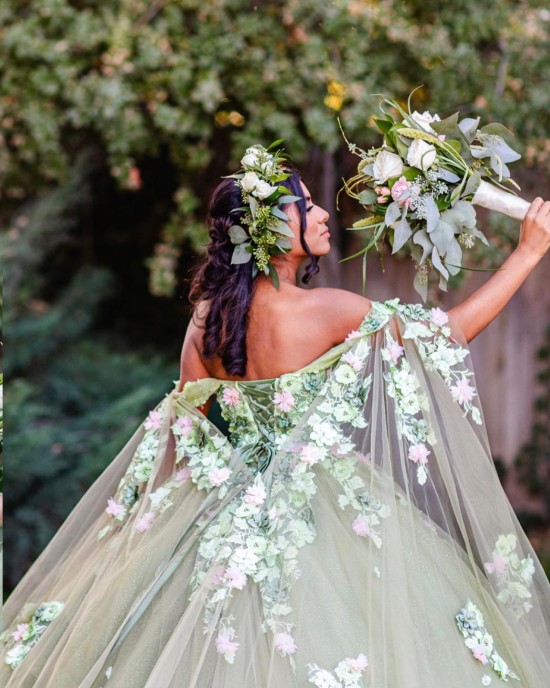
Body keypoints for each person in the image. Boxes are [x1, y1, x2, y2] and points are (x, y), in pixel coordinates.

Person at [1, 145, 550, 688]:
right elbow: (448, 335)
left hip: (222, 516)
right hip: (324, 512)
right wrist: (526, 253)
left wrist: (145, 535)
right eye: (305, 207)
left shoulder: (204, 321)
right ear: (269, 230)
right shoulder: (326, 310)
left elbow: (187, 427)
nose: (322, 214)